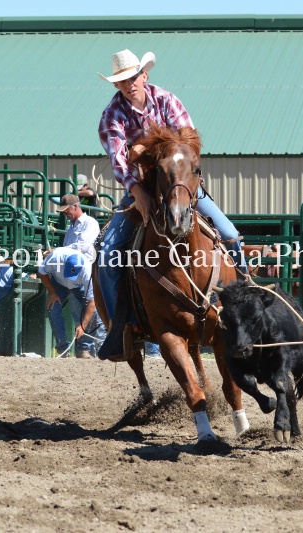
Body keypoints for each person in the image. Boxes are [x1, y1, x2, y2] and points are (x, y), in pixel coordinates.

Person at [96, 48, 245, 360]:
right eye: (122, 81)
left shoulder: (167, 99)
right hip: (140, 188)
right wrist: (138, 190)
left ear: (144, 75)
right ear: (116, 85)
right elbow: (120, 161)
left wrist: (142, 149)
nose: (129, 84)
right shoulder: (111, 116)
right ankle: (119, 328)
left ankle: (243, 307)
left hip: (180, 184)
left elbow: (187, 143)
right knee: (109, 253)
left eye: (133, 77)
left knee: (230, 235)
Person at [38, 246, 105, 359]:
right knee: (53, 308)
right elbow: (41, 272)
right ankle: (63, 348)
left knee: (93, 312)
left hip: (79, 286)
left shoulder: (87, 271)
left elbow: (92, 302)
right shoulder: (55, 258)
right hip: (58, 284)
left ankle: (84, 348)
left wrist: (82, 327)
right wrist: (52, 292)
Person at [56, 193, 100, 263]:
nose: (65, 214)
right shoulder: (71, 226)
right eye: (63, 212)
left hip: (86, 265)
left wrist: (58, 252)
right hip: (73, 264)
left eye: (66, 210)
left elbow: (83, 246)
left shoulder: (90, 222)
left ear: (75, 206)